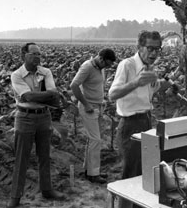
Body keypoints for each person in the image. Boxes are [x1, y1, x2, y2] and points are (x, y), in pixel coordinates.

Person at [109, 30, 174, 208]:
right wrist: (136, 82)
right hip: (130, 125)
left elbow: (152, 89)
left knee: (146, 175)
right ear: (139, 47)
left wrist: (167, 84)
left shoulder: (150, 68)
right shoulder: (127, 65)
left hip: (146, 122)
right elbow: (112, 94)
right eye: (150, 48)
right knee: (130, 176)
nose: (154, 53)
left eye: (157, 49)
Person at [7, 43, 65, 208]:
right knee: (21, 158)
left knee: (44, 156)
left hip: (44, 117)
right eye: (34, 54)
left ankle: (47, 190)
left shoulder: (46, 72)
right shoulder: (17, 75)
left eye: (39, 54)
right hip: (25, 118)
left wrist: (40, 96)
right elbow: (27, 97)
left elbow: (52, 96)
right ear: (24, 55)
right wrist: (47, 95)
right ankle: (15, 197)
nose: (38, 57)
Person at [70, 48, 117, 184]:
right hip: (89, 108)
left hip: (98, 107)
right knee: (95, 140)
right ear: (101, 58)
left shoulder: (99, 67)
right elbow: (74, 85)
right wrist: (86, 104)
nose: (107, 67)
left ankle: (89, 170)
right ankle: (93, 174)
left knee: (93, 140)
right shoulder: (87, 67)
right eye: (106, 64)